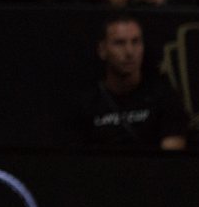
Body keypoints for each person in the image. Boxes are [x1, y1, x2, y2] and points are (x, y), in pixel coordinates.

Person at [69, 16, 189, 150]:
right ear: (102, 50)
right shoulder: (86, 104)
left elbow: (173, 158)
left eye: (135, 42)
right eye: (119, 43)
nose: (129, 52)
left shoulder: (164, 99)